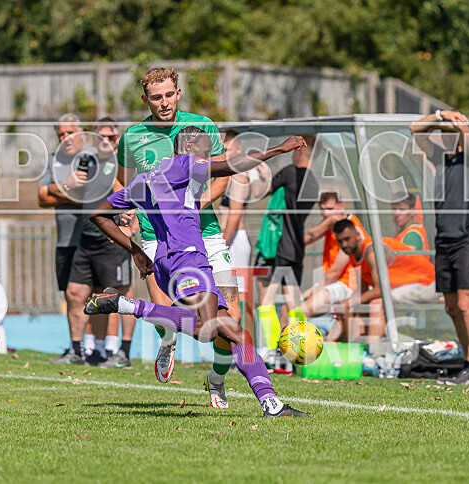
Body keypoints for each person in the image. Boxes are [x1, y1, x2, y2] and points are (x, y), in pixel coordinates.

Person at [88, 127, 309, 417]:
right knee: (209, 329)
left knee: (236, 332)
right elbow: (229, 166)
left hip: (172, 262)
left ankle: (271, 403)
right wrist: (278, 149)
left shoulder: (144, 180)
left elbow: (97, 213)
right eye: (206, 151)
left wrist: (136, 251)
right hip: (187, 259)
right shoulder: (184, 163)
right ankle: (127, 305)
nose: (208, 157)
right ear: (189, 145)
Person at [116, 67, 239, 405]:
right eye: (156, 97)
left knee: (231, 322)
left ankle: (216, 380)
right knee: (164, 306)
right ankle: (167, 338)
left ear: (178, 94)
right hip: (158, 236)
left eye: (169, 95)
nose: (164, 102)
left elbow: (223, 175)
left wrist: (195, 205)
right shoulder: (134, 135)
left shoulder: (201, 126)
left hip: (207, 233)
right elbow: (121, 181)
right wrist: (127, 209)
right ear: (146, 100)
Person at [38, 113, 130, 366]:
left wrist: (125, 209)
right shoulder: (74, 159)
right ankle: (79, 350)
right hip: (79, 239)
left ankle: (105, 349)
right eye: (61, 134)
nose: (65, 138)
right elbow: (44, 197)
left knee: (108, 293)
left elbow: (110, 185)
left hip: (102, 236)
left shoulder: (104, 158)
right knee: (74, 294)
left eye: (70, 133)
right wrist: (66, 187)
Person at [410, 109, 469, 386]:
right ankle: (467, 365)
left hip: (466, 240)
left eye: (450, 133)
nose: (446, 137)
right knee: (452, 308)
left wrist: (460, 124)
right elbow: (415, 129)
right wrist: (440, 114)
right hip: (443, 240)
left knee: (467, 304)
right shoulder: (441, 160)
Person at [330, 219, 437, 342]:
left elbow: (380, 290)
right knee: (355, 306)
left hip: (427, 284)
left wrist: (348, 303)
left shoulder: (371, 251)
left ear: (358, 235)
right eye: (340, 241)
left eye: (347, 239)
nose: (344, 245)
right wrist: (344, 305)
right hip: (406, 286)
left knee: (377, 303)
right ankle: (353, 350)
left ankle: (372, 350)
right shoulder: (353, 254)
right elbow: (362, 291)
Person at [255, 134, 319, 330]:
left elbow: (260, 192)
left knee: (266, 300)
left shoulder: (290, 172)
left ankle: (270, 348)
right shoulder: (314, 184)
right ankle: (299, 348)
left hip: (277, 247)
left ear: (299, 151)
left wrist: (262, 175)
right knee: (293, 301)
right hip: (296, 248)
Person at [94, 116, 137, 369]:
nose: (107, 142)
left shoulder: (124, 164)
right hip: (103, 237)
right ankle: (109, 348)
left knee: (124, 290)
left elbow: (141, 194)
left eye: (111, 137)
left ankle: (126, 350)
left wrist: (130, 229)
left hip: (120, 235)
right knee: (106, 290)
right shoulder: (95, 165)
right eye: (102, 137)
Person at [218, 129, 271, 333]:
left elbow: (235, 213)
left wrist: (222, 242)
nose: (223, 152)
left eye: (227, 149)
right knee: (225, 295)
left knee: (239, 296)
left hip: (234, 241)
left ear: (238, 148)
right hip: (227, 239)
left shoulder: (240, 172)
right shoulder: (226, 171)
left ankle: (244, 344)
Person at [300, 192, 368, 320]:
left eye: (330, 209)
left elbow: (335, 273)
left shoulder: (348, 227)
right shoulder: (331, 223)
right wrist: (327, 223)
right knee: (288, 308)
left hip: (349, 284)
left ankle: (297, 340)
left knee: (301, 311)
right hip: (335, 282)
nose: (326, 214)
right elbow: (306, 238)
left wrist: (311, 294)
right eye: (323, 210)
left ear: (341, 206)